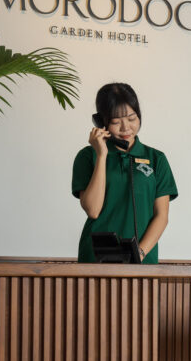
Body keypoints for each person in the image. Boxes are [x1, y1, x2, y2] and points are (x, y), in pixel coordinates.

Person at [71, 83, 177, 263]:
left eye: (132, 118)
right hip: (95, 258)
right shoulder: (88, 156)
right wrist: (102, 155)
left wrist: (140, 253)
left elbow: (162, 216)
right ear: (101, 122)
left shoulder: (156, 159)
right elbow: (93, 210)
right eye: (115, 121)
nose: (126, 127)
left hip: (143, 260)